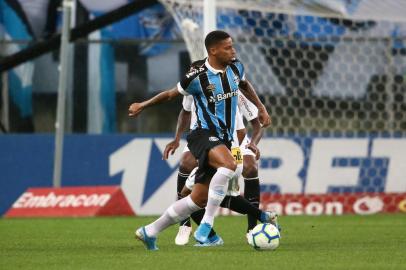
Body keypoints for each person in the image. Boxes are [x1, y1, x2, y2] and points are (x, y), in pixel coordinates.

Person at [128, 30, 270, 250]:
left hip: (223, 139)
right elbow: (169, 95)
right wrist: (143, 106)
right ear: (213, 50)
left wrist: (260, 108)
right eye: (227, 47)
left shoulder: (235, 67)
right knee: (229, 164)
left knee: (197, 200)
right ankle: (206, 226)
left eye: (232, 46)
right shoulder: (197, 76)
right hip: (201, 135)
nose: (233, 50)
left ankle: (150, 231)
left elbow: (244, 85)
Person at [163, 93, 269, 246]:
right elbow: (185, 112)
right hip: (201, 137)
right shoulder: (193, 85)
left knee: (250, 168)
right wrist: (177, 138)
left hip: (233, 141)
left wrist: (250, 145)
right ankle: (184, 224)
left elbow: (252, 126)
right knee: (186, 163)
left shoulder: (234, 90)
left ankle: (252, 228)